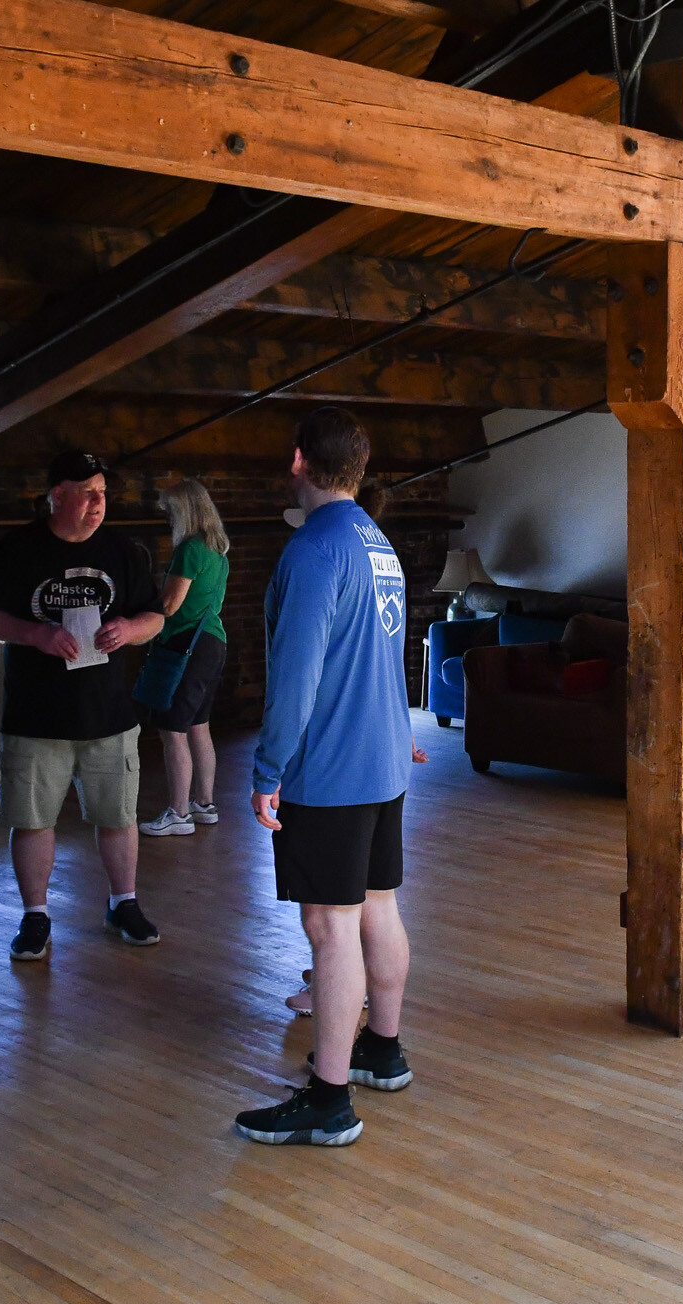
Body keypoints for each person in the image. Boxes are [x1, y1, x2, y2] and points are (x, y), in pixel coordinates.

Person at [235, 407, 414, 1146]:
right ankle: (382, 1049)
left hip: (331, 769)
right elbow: (386, 656)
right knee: (377, 906)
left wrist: (268, 766)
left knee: (329, 927)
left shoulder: (314, 549)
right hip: (381, 761)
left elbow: (297, 673)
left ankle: (330, 1099)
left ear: (299, 460)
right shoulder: (377, 543)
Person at [0, 451, 166, 958]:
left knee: (118, 815)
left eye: (103, 493)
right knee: (32, 819)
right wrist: (35, 634)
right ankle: (35, 915)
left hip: (108, 714)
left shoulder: (123, 551)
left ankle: (123, 903)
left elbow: (155, 617)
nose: (99, 503)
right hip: (36, 716)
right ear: (58, 495)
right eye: (88, 492)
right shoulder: (19, 549)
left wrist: (130, 629)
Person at [139, 479, 230, 837]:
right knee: (199, 726)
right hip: (213, 643)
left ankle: (179, 813)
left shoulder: (189, 550)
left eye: (170, 512)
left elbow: (169, 605)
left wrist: (138, 612)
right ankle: (204, 805)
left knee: (172, 730)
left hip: (186, 646)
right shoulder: (218, 552)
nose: (167, 519)